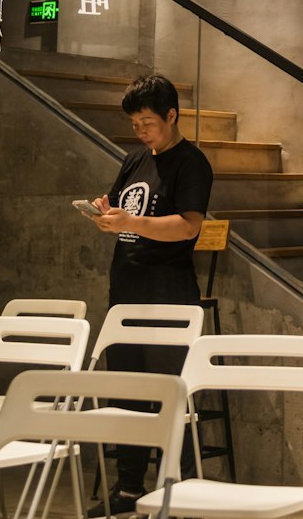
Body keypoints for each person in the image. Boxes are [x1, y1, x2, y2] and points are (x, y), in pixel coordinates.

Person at [85, 72, 213, 517]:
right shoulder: (134, 159)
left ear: (171, 115)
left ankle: (179, 491)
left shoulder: (190, 163)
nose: (140, 131)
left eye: (147, 123)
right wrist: (106, 214)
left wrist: (131, 223)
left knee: (168, 395)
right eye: (135, 123)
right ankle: (128, 488)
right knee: (126, 394)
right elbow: (123, 206)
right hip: (126, 290)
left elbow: (189, 225)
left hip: (169, 293)